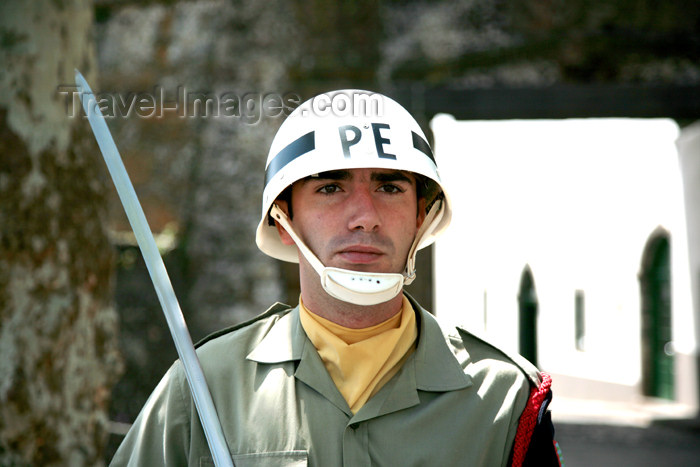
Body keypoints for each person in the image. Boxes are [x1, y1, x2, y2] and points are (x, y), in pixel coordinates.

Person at [110, 90, 563, 466]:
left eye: (389, 187)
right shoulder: (202, 385)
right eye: (330, 187)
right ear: (284, 219)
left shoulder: (506, 398)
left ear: (422, 216)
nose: (365, 217)